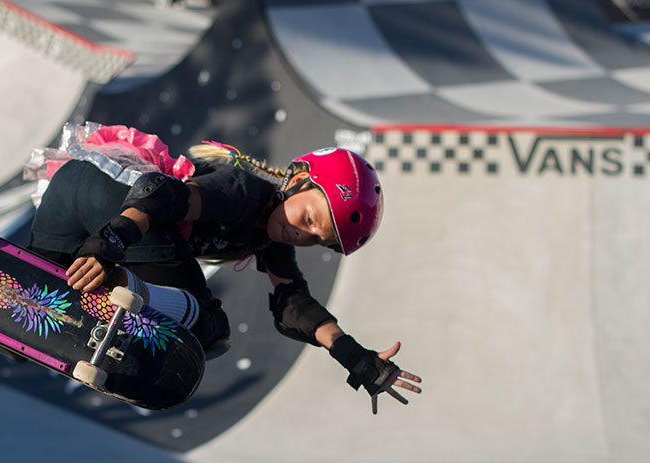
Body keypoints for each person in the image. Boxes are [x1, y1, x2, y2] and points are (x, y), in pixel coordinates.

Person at [28, 131, 421, 414]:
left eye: (316, 239)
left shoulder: (271, 237)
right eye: (308, 218)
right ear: (299, 180)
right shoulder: (246, 192)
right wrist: (113, 239)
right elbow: (163, 194)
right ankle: (128, 290)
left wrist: (356, 358)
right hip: (114, 201)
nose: (302, 233)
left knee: (28, 303)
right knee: (210, 329)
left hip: (69, 192)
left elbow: (293, 304)